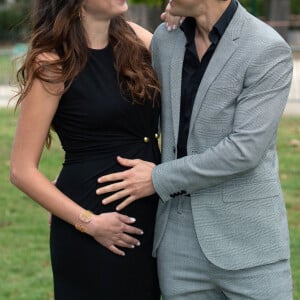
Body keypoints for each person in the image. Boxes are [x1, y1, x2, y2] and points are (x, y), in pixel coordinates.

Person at [96, 0, 294, 299]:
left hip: (250, 245)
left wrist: (157, 179)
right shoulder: (166, 39)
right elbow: (129, 116)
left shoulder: (266, 48)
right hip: (177, 247)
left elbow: (245, 150)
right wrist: (80, 179)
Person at [10, 0, 162, 299]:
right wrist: (89, 224)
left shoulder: (136, 39)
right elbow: (21, 170)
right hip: (96, 226)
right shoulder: (52, 63)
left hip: (153, 214)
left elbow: (191, 68)